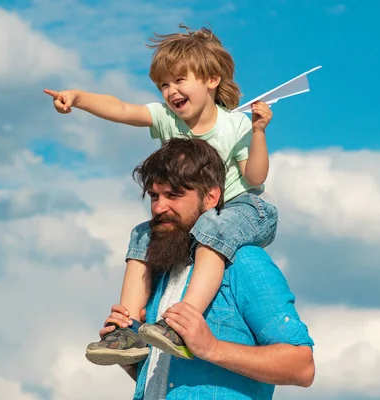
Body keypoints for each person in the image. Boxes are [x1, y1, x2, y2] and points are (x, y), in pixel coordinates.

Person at [44, 24, 278, 361]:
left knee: (215, 227)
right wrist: (78, 98)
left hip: (246, 208)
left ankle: (182, 324)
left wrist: (258, 133)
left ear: (211, 79)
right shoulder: (167, 118)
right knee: (143, 233)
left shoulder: (235, 125)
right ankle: (126, 330)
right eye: (164, 84)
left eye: (179, 80)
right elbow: (123, 109)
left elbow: (255, 177)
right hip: (200, 215)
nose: (170, 91)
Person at [97, 138, 314, 399]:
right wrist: (129, 355)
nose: (158, 208)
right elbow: (170, 380)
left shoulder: (244, 262)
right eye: (154, 196)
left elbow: (302, 367)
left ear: (211, 197)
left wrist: (211, 348)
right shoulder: (162, 272)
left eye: (173, 195)